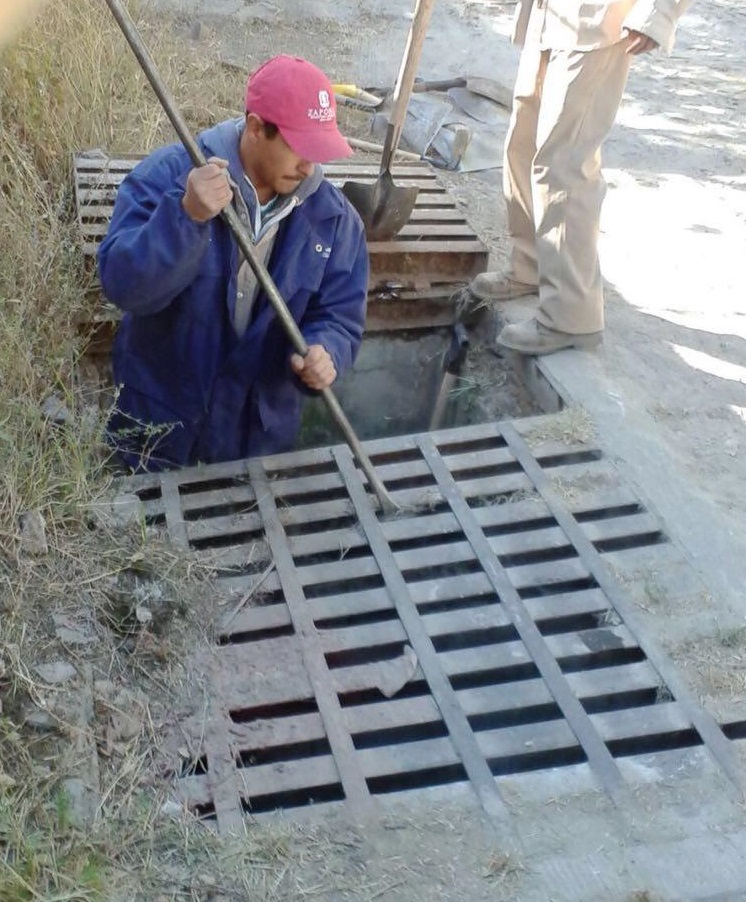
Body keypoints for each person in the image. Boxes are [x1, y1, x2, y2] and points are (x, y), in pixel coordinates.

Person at [99, 55, 369, 471]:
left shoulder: (333, 221)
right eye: (299, 147)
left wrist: (326, 349)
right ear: (257, 128)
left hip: (256, 445)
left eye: (318, 150)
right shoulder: (169, 177)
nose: (310, 166)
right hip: (156, 432)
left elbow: (340, 315)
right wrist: (185, 218)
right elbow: (124, 288)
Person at [468, 0, 692, 355]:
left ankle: (571, 316)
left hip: (600, 21)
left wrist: (658, 13)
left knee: (564, 164)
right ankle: (531, 266)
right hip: (550, 15)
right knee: (523, 145)